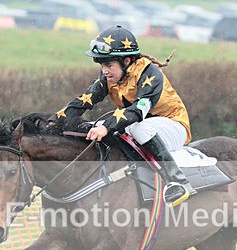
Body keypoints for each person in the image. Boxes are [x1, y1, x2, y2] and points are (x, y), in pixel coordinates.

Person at [49, 25, 195, 206]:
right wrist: (53, 122)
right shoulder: (109, 77)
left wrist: (106, 127)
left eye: (109, 65)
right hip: (142, 126)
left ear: (126, 61)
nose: (104, 71)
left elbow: (137, 112)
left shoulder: (151, 74)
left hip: (174, 126)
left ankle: (178, 182)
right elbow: (83, 102)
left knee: (135, 127)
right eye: (102, 65)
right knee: (96, 125)